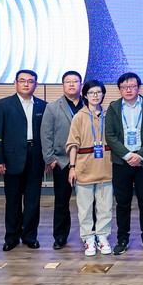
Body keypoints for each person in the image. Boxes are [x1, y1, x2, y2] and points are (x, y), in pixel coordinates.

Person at [0, 69, 47, 251]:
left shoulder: (43, 106)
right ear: (15, 83)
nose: (26, 84)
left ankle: (30, 236)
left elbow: (47, 135)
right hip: (11, 158)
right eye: (22, 81)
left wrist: (47, 157)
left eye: (30, 81)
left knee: (32, 201)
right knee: (13, 200)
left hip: (36, 157)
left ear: (35, 84)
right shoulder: (2, 105)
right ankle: (12, 237)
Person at [105, 72, 143, 255]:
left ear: (138, 87)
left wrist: (140, 155)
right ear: (119, 89)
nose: (128, 90)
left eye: (132, 86)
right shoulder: (113, 108)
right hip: (122, 162)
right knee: (123, 203)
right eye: (124, 87)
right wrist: (128, 155)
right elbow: (110, 136)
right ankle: (122, 238)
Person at [66, 80, 113, 256]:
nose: (95, 95)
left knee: (105, 207)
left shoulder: (109, 115)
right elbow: (72, 144)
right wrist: (72, 167)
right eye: (91, 92)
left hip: (106, 167)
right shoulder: (79, 117)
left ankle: (102, 236)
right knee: (85, 207)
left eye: (98, 92)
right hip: (84, 167)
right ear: (85, 95)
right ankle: (88, 238)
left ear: (103, 94)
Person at [40, 70, 83, 250]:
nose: (72, 84)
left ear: (81, 84)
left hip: (86, 160)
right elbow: (46, 134)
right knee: (61, 201)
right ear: (63, 85)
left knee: (89, 201)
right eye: (68, 81)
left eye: (75, 81)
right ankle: (60, 236)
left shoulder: (89, 104)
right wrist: (50, 158)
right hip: (62, 161)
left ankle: (91, 234)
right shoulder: (52, 107)